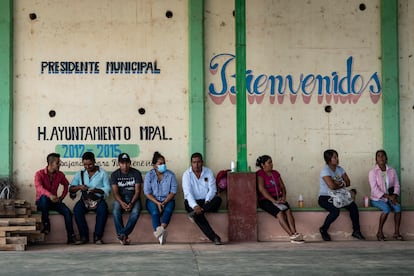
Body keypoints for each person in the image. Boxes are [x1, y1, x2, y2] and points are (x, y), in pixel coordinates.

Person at [318, 149, 365, 241]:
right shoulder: (325, 170)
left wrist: (338, 183)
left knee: (353, 207)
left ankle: (356, 231)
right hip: (325, 197)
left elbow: (348, 182)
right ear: (329, 159)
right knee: (335, 211)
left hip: (340, 196)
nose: (337, 159)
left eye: (337, 157)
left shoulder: (340, 169)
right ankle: (323, 229)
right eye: (334, 157)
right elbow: (331, 186)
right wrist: (339, 183)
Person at [256, 155, 304, 244]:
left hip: (278, 198)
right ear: (263, 165)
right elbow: (262, 189)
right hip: (265, 200)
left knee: (288, 210)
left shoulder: (275, 173)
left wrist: (283, 198)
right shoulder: (260, 174)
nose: (271, 164)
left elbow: (283, 187)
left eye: (271, 162)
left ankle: (295, 233)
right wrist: (273, 201)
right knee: (280, 213)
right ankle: (291, 236)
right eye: (269, 162)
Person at [34, 153, 80, 245]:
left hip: (53, 201)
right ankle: (46, 225)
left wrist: (61, 197)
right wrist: (49, 195)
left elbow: (66, 185)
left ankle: (71, 237)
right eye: (58, 163)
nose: (59, 165)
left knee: (67, 211)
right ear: (50, 164)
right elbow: (39, 187)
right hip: (41, 202)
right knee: (43, 199)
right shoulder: (39, 174)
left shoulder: (60, 175)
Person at [69, 152, 111, 244]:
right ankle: (84, 236)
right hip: (84, 200)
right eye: (85, 165)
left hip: (98, 199)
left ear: (94, 161)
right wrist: (79, 187)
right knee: (77, 210)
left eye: (90, 164)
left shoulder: (103, 173)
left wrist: (97, 190)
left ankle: (97, 237)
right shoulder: (80, 174)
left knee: (103, 210)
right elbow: (71, 188)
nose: (87, 167)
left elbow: (108, 188)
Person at [182, 152, 222, 245]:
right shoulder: (187, 174)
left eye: (198, 162)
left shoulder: (208, 172)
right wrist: (195, 206)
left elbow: (212, 190)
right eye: (194, 162)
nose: (196, 165)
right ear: (191, 163)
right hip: (192, 202)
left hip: (206, 201)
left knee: (218, 200)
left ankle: (195, 214)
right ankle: (214, 237)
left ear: (202, 162)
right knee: (197, 214)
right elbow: (188, 193)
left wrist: (206, 203)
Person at [144, 151, 177, 245]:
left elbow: (173, 192)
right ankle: (161, 235)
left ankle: (160, 233)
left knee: (169, 209)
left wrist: (164, 202)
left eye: (164, 163)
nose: (163, 165)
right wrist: (158, 203)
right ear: (154, 165)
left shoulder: (171, 175)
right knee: (155, 212)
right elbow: (147, 192)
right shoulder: (149, 175)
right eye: (160, 164)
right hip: (152, 200)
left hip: (168, 200)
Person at [369, 149, 403, 241]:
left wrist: (395, 195)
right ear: (376, 159)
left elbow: (397, 185)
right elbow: (374, 189)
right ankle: (379, 232)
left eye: (383, 155)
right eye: (378, 156)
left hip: (391, 197)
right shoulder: (372, 172)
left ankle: (396, 233)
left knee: (398, 208)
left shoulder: (392, 170)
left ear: (386, 158)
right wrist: (388, 197)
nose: (381, 158)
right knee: (386, 209)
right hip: (377, 199)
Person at [111, 153, 143, 245]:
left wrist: (132, 203)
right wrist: (121, 203)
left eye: (127, 163)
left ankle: (122, 234)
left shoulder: (136, 173)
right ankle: (123, 236)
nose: (125, 166)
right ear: (119, 164)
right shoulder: (114, 175)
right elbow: (115, 193)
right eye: (122, 163)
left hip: (134, 198)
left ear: (130, 163)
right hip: (120, 199)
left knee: (136, 212)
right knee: (116, 210)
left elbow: (137, 191)